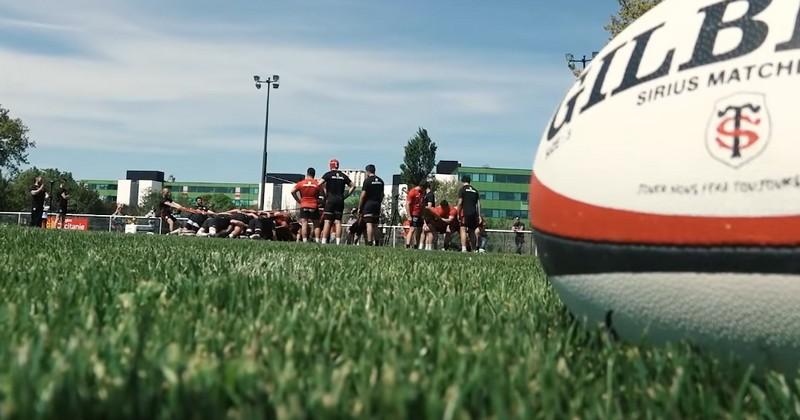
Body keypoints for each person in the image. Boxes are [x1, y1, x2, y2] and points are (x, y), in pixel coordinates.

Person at [319, 159, 355, 245]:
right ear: (338, 166)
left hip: (330, 200)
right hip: (340, 200)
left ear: (330, 166)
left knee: (327, 221)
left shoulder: (328, 174)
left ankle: (324, 242)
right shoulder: (343, 176)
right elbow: (353, 186)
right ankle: (338, 242)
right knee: (338, 221)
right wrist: (346, 195)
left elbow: (319, 184)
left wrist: (324, 192)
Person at [356, 164, 384, 246]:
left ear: (367, 171)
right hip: (377, 204)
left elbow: (363, 195)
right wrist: (379, 202)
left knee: (369, 224)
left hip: (369, 205)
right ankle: (378, 242)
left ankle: (369, 242)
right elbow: (382, 194)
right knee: (375, 225)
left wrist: (359, 207)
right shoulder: (381, 181)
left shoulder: (367, 181)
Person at [291, 168, 321, 243]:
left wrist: (298, 200)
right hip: (314, 205)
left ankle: (304, 241)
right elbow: (323, 193)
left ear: (307, 174)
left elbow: (292, 191)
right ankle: (317, 240)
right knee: (316, 224)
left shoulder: (301, 183)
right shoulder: (317, 183)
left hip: (304, 204)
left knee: (304, 223)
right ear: (314, 174)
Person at [455, 175, 481, 252]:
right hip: (474, 213)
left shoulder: (462, 190)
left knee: (462, 228)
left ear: (462, 181)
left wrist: (458, 213)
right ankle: (473, 249)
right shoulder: (475, 191)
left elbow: (460, 202)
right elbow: (478, 205)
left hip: (465, 212)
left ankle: (464, 248)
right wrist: (479, 215)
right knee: (472, 231)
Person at [404, 181, 427, 249]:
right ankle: (408, 245)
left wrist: (423, 214)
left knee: (419, 230)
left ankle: (416, 246)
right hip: (413, 214)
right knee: (412, 229)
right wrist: (409, 216)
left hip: (420, 214)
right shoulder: (412, 192)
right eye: (424, 189)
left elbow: (422, 204)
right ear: (421, 187)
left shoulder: (422, 193)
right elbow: (407, 204)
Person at [420, 183, 436, 250]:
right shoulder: (425, 195)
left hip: (429, 215)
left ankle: (428, 247)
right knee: (424, 231)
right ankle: (421, 246)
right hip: (425, 215)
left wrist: (423, 207)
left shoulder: (430, 195)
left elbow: (430, 206)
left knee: (429, 231)